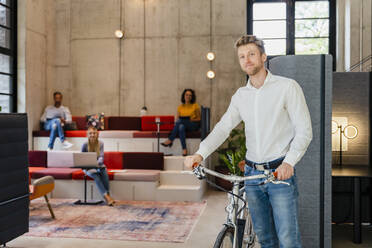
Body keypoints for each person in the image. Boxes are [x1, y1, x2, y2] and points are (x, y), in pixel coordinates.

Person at [184, 35, 312, 248]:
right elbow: (223, 128)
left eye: (251, 54)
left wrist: (289, 162)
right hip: (252, 175)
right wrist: (200, 153)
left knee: (288, 240)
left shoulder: (288, 87)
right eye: (242, 56)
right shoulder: (241, 95)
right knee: (265, 239)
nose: (247, 59)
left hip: (279, 173)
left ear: (263, 57)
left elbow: (304, 131)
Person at [82, 125, 115, 206]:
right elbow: (81, 158)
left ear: (97, 134)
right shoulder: (85, 144)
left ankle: (107, 195)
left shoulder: (101, 143)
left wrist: (97, 163)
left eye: (94, 133)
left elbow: (101, 156)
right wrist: (91, 165)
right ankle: (107, 197)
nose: (92, 135)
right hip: (87, 167)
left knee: (104, 170)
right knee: (96, 175)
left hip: (98, 165)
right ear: (87, 135)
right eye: (90, 133)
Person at [161, 89, 201, 156]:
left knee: (180, 122)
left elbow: (199, 119)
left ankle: (170, 140)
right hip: (183, 125)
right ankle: (184, 150)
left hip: (193, 125)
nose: (188, 96)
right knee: (181, 127)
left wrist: (191, 119)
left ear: (192, 97)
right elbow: (177, 119)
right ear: (184, 96)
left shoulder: (195, 106)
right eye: (187, 95)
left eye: (190, 95)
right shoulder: (180, 107)